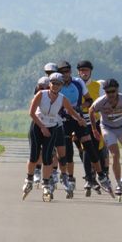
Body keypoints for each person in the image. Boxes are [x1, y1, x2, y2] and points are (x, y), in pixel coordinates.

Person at [23, 72, 87, 201]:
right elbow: (31, 113)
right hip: (37, 126)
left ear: (61, 86)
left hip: (51, 127)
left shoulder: (62, 98)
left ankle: (46, 183)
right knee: (34, 155)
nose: (55, 86)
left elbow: (71, 111)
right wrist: (42, 127)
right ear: (50, 84)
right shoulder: (41, 94)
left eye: (58, 84)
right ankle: (29, 180)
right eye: (53, 83)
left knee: (47, 157)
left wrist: (80, 119)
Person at [56, 61, 106, 193]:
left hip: (86, 120)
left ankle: (97, 176)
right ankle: (72, 177)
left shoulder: (88, 84)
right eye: (62, 72)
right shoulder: (56, 84)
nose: (65, 74)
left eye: (67, 71)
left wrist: (78, 108)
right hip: (66, 121)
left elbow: (95, 102)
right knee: (71, 152)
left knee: (92, 149)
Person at [76, 60, 108, 195]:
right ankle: (89, 178)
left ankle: (97, 176)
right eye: (82, 70)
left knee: (96, 150)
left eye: (86, 70)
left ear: (90, 72)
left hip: (95, 121)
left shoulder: (97, 86)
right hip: (79, 121)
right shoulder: (75, 85)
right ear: (78, 72)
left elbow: (104, 104)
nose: (84, 73)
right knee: (84, 150)